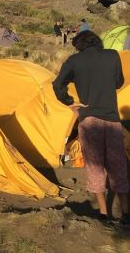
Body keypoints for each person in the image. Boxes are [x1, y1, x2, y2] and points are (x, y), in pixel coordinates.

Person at [52, 30, 129, 227]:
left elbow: (58, 84)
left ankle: (104, 214)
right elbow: (119, 82)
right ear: (97, 41)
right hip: (112, 120)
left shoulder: (74, 61)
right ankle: (126, 215)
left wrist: (70, 102)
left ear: (79, 44)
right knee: (118, 166)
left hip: (89, 120)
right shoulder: (112, 55)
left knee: (95, 168)